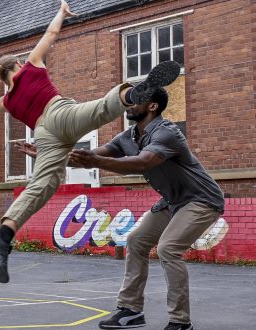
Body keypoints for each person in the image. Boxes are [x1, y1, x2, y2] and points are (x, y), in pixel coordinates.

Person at [0, 0, 181, 283]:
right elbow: (51, 35)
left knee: (42, 185)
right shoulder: (30, 66)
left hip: (43, 134)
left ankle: (3, 237)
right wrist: (61, 12)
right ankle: (132, 94)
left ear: (3, 78)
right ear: (17, 64)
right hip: (60, 114)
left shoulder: (7, 100)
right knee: (102, 109)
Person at [66, 87, 224, 330]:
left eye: (136, 100)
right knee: (136, 240)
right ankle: (130, 311)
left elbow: (143, 163)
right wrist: (49, 155)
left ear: (152, 106)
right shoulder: (128, 137)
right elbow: (89, 155)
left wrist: (97, 162)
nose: (129, 103)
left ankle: (180, 322)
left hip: (201, 199)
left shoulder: (167, 133)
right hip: (173, 201)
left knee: (169, 248)